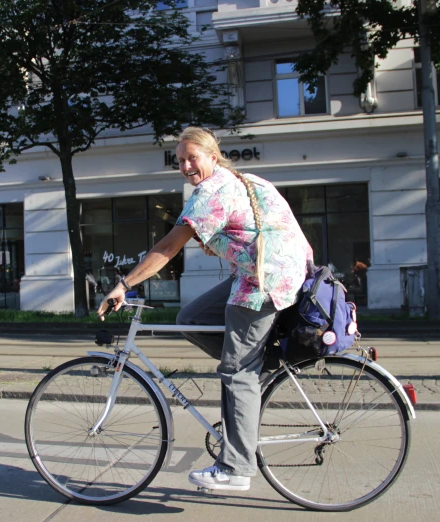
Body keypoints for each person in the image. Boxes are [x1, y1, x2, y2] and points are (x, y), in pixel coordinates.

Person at [97, 126, 312, 492]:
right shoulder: (242, 181)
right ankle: (253, 364)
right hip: (273, 270)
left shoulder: (213, 190)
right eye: (179, 160)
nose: (185, 166)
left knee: (237, 372)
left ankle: (236, 468)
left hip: (263, 279)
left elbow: (168, 247)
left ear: (213, 156)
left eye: (192, 158)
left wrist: (125, 284)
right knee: (191, 319)